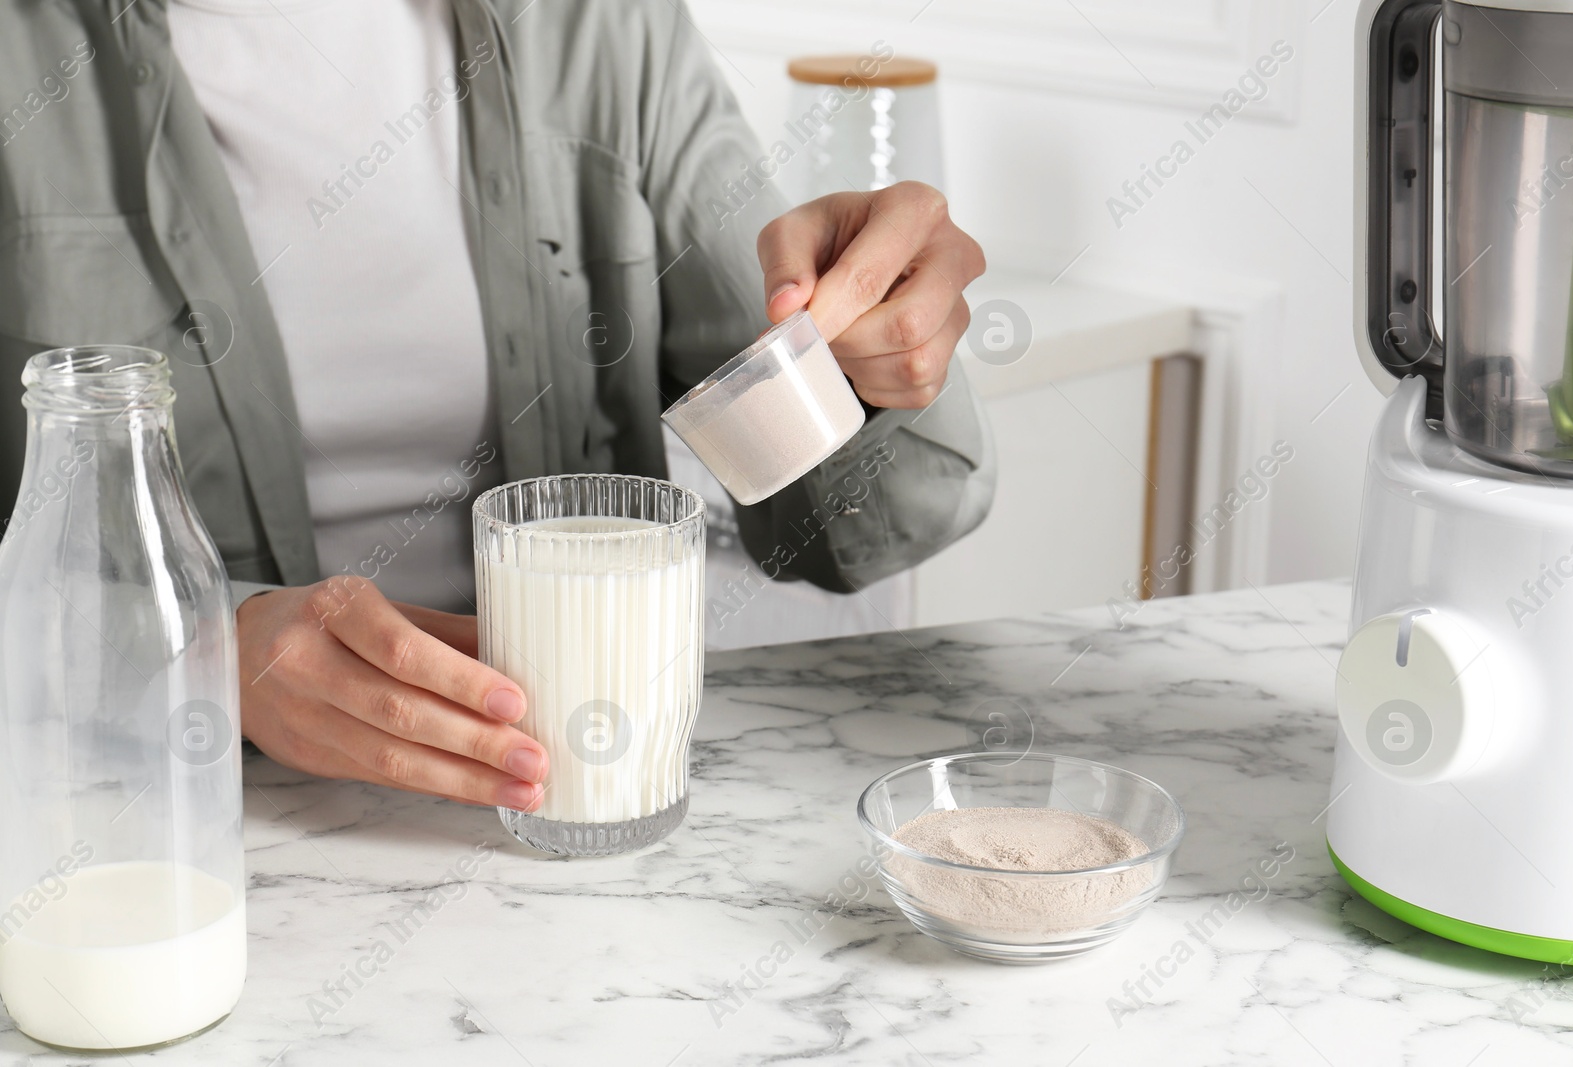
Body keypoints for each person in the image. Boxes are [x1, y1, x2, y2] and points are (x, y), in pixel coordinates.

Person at [0, 0, 995, 811]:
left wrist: (881, 347)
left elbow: (850, 518)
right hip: (148, 827)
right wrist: (204, 648)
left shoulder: (599, 30)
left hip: (572, 797)